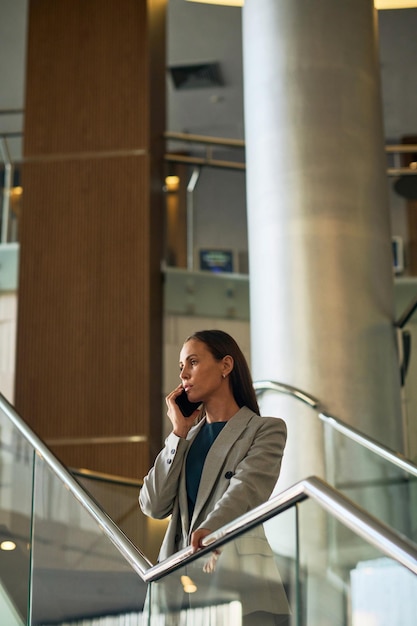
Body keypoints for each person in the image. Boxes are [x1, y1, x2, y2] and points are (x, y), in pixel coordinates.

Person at [139, 329, 290, 625]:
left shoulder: (265, 429)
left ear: (226, 366)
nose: (184, 374)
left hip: (235, 573)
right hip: (178, 582)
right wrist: (178, 432)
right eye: (181, 367)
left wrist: (213, 529)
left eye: (193, 362)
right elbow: (153, 505)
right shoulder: (186, 439)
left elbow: (246, 489)